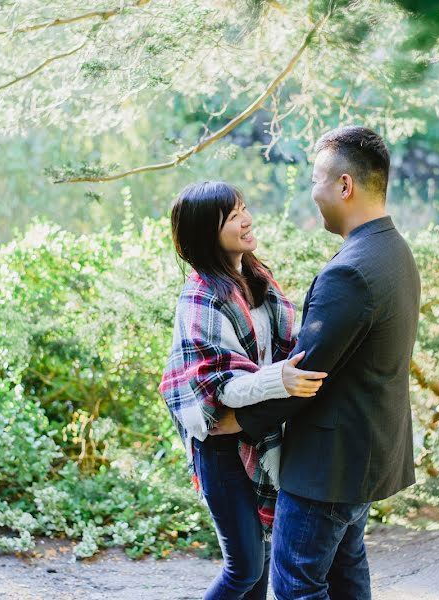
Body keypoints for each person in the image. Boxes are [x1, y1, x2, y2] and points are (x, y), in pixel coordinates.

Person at [211, 126, 421, 600]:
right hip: (365, 454)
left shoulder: (351, 270)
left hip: (328, 467)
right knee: (347, 575)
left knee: (295, 587)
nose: (313, 193)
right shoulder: (394, 250)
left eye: (315, 180)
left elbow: (306, 376)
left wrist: (237, 420)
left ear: (344, 186)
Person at [159, 181, 328, 600]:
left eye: (245, 209)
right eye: (233, 216)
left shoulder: (256, 279)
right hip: (219, 448)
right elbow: (220, 386)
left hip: (255, 432)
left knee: (263, 563)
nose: (247, 220)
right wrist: (280, 380)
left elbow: (291, 341)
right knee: (244, 567)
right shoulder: (199, 298)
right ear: (206, 232)